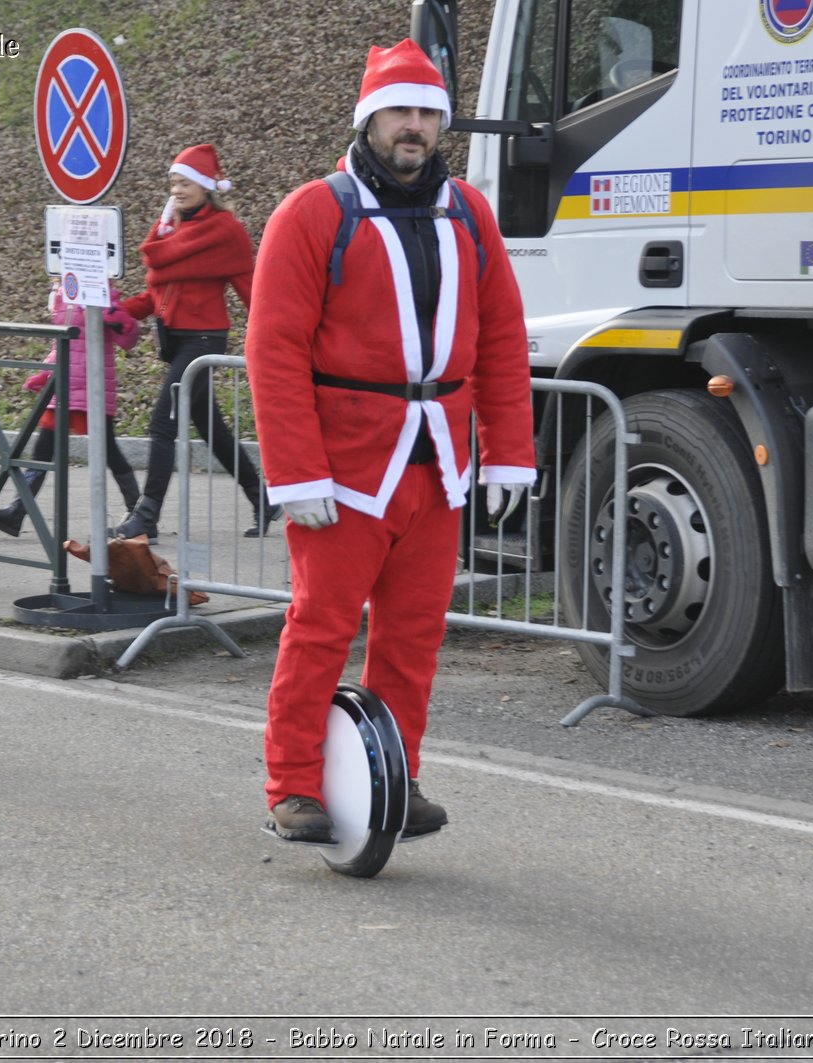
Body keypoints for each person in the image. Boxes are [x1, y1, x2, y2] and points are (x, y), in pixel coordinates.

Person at [244, 39, 536, 842]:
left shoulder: (470, 213)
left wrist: (510, 446)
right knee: (320, 627)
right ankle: (294, 783)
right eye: (400, 111)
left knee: (413, 637)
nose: (414, 126)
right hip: (344, 468)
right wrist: (295, 473)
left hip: (439, 461)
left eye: (427, 112)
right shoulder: (313, 212)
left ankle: (393, 779)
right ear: (369, 119)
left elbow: (504, 339)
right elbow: (274, 352)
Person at [113, 144, 278, 542]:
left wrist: (277, 335)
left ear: (206, 186)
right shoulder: (174, 230)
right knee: (213, 430)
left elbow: (253, 290)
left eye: (185, 183)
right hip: (175, 340)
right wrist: (117, 311)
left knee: (162, 423)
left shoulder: (225, 232)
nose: (177, 190)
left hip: (204, 341)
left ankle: (146, 516)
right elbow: (158, 294)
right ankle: (262, 496)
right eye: (172, 183)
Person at [0, 280, 143, 538]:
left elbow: (129, 337)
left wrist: (113, 316)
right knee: (43, 448)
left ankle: (140, 513)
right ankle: (16, 512)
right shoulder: (62, 293)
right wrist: (46, 370)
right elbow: (62, 342)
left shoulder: (101, 288)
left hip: (92, 383)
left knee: (107, 448)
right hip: (64, 382)